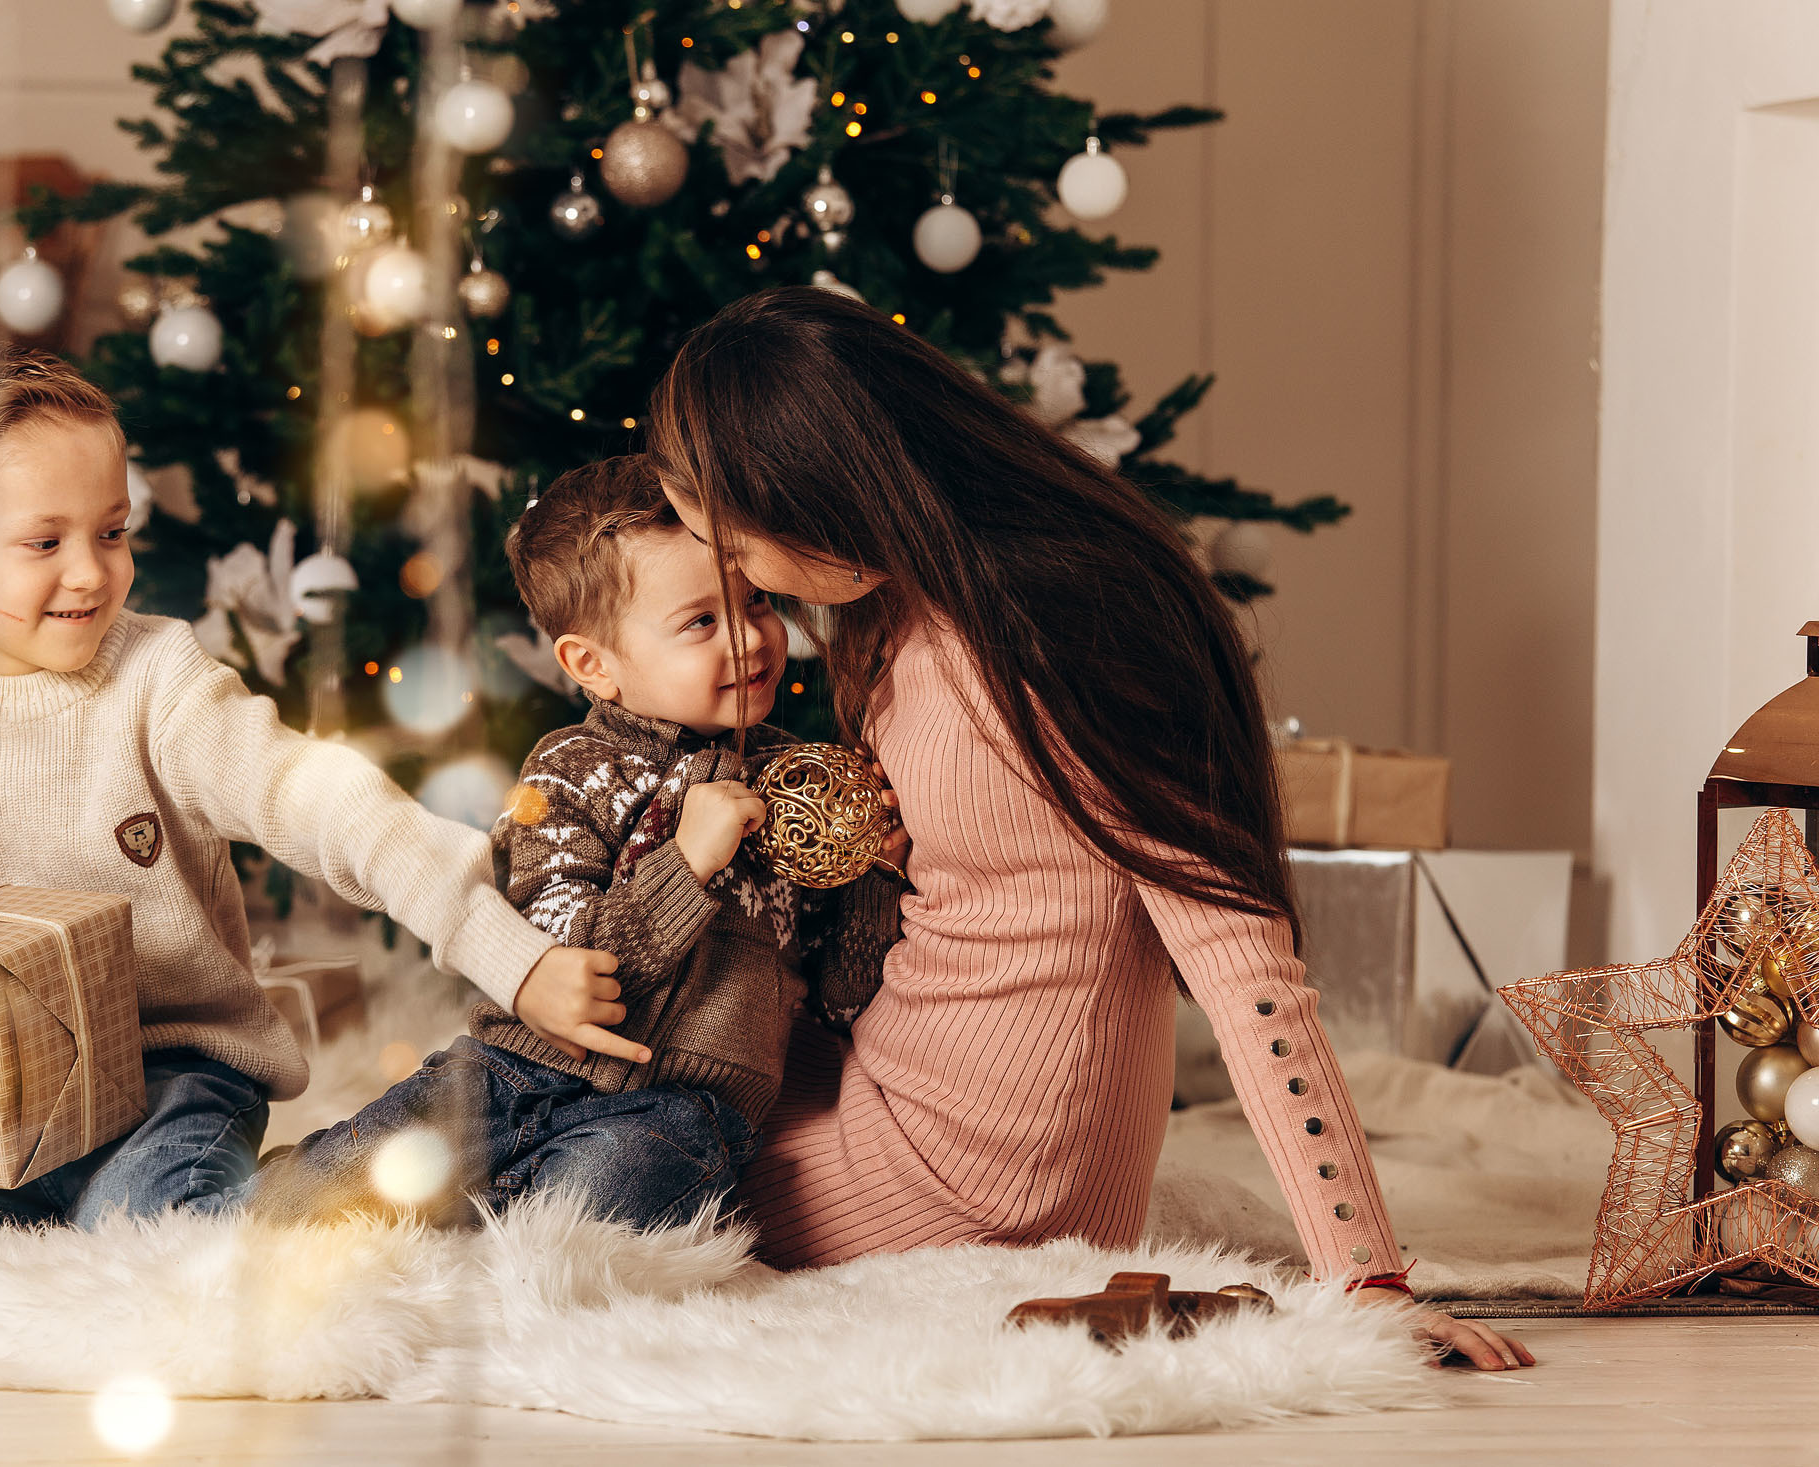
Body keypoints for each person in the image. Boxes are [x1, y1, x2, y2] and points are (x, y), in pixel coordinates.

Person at [643, 287, 1535, 1372]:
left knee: (610, 1134)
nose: (740, 579)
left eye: (734, 544)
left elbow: (1243, 968)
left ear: (819, 499)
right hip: (912, 1084)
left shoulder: (1061, 634)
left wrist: (1367, 1278)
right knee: (624, 1046)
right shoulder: (925, 597)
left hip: (962, 1176)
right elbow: (1012, 861)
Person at [0, 341, 622, 1261]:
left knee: (153, 1236)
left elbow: (326, 802)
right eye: (45, 541)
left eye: (113, 531)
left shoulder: (159, 681)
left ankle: (336, 1183)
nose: (92, 571)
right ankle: (25, 1230)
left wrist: (507, 953)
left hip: (162, 1072)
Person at [244, 456, 898, 1231]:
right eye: (701, 622)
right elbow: (569, 963)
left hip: (677, 1110)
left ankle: (495, 1227)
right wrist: (684, 866)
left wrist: (874, 872)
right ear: (593, 664)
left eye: (754, 601)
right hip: (513, 1074)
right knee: (316, 1193)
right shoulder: (569, 770)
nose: (752, 637)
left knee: (604, 1206)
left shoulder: (797, 785)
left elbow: (839, 997)